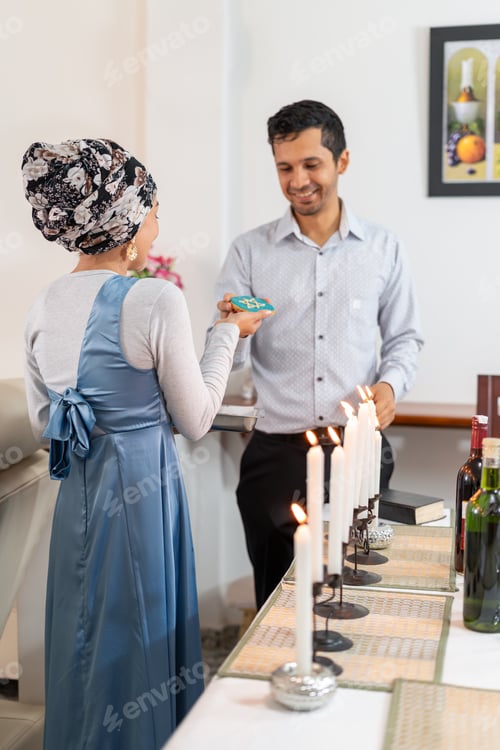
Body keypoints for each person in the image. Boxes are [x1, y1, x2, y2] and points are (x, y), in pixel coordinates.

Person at [21, 138, 272, 750]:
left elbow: (40, 423)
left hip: (75, 495)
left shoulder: (41, 305)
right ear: (129, 221)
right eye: (154, 206)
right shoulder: (154, 299)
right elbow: (195, 417)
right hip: (140, 496)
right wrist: (226, 334)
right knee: (139, 638)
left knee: (84, 635)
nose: (160, 220)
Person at [215, 100, 424, 610]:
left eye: (312, 164)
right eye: (285, 167)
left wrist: (390, 386)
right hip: (273, 458)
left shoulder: (382, 247)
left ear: (342, 161)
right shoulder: (248, 252)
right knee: (276, 602)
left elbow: (405, 339)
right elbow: (231, 363)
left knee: (353, 596)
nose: (298, 180)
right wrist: (231, 331)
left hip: (359, 451)